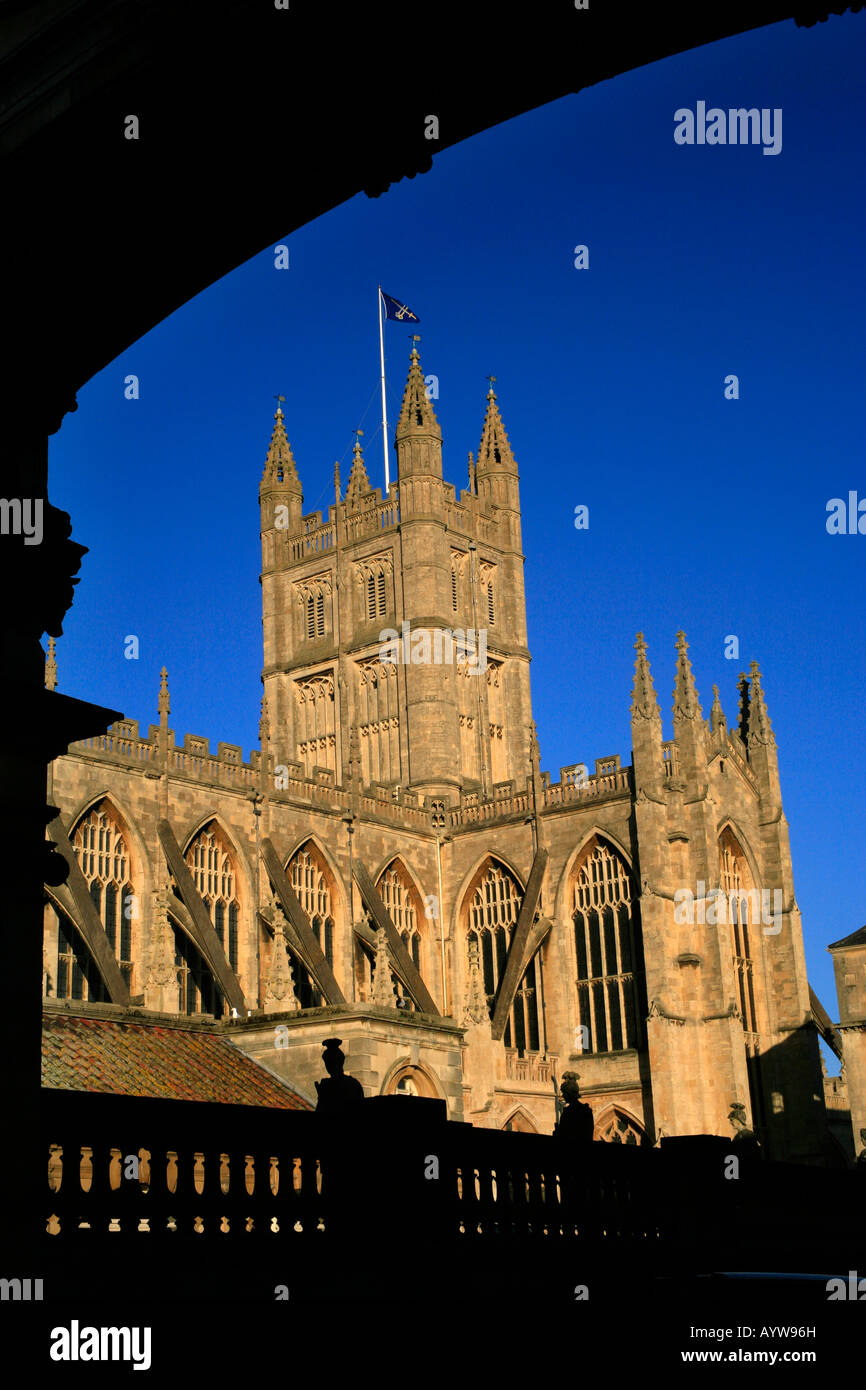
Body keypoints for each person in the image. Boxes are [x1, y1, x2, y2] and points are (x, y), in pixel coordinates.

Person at [314, 1037, 365, 1114]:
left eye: (329, 1062)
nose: (328, 1066)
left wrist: (322, 1094)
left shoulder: (328, 1085)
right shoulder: (353, 1083)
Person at [555, 1072, 595, 1144]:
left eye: (564, 1093)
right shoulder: (586, 1110)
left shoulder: (568, 1113)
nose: (563, 1095)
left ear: (569, 1094)